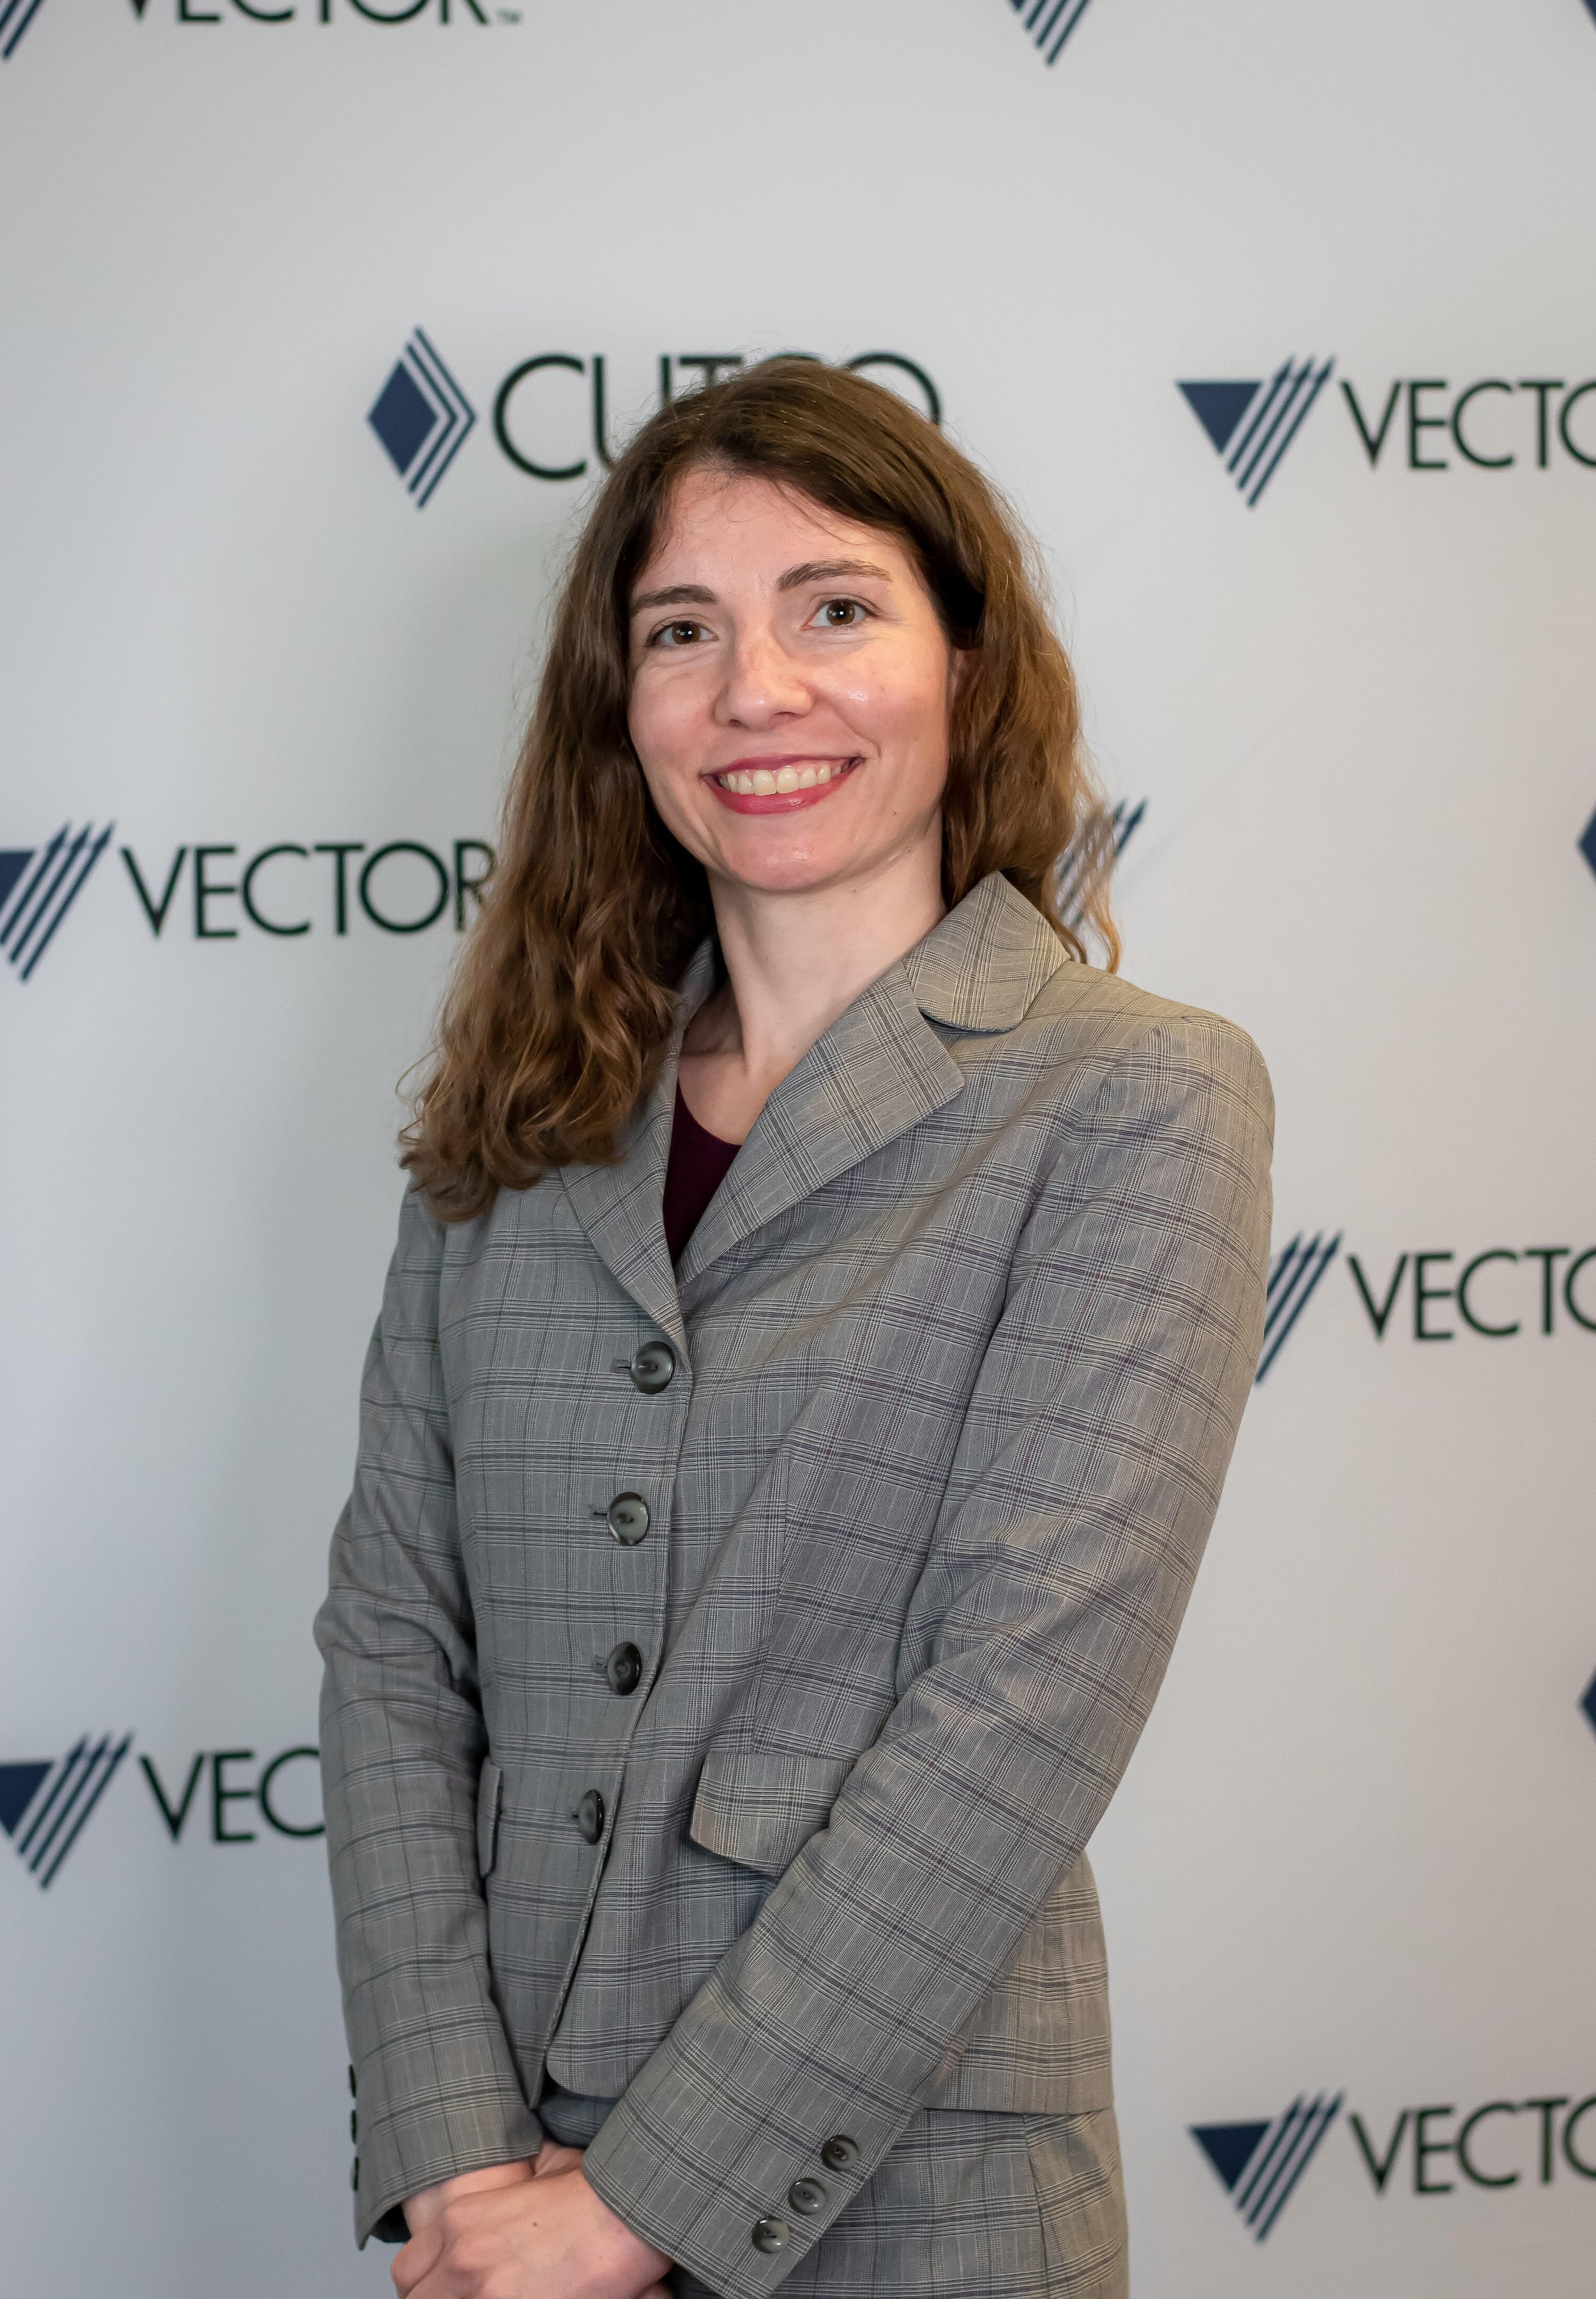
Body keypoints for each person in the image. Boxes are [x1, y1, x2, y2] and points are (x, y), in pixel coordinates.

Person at [315, 359, 1273, 2299]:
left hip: (912, 2202)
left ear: (968, 668)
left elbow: (1012, 1714)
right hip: (500, 2197)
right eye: (684, 632)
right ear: (625, 710)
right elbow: (393, 1646)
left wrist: (632, 2205)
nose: (755, 688)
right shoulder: (523, 1109)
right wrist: (447, 2153)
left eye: (833, 606)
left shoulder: (1130, 1097)